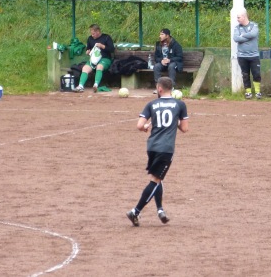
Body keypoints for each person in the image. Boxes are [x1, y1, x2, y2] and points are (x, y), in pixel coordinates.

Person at [126, 77, 189, 227]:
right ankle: (136, 211)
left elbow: (139, 126)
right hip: (166, 148)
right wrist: (176, 120)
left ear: (159, 89)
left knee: (158, 178)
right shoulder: (180, 104)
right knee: (155, 180)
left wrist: (146, 126)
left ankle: (160, 209)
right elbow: (185, 129)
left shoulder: (151, 104)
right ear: (171, 89)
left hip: (152, 146)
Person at [73, 24, 115, 93]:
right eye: (91, 33)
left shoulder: (106, 37)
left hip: (105, 59)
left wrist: (102, 46)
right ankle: (80, 86)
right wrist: (88, 51)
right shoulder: (90, 38)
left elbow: (111, 49)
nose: (92, 35)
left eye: (93, 33)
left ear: (98, 31)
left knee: (99, 66)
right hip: (93, 59)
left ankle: (95, 85)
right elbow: (88, 49)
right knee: (85, 68)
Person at [233, 8, 262, 99]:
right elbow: (236, 38)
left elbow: (253, 34)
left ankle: (257, 92)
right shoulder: (237, 27)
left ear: (244, 17)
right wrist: (247, 37)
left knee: (256, 74)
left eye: (239, 17)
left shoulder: (254, 25)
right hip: (242, 56)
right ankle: (248, 92)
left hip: (254, 55)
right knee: (245, 74)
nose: (237, 19)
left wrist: (242, 36)